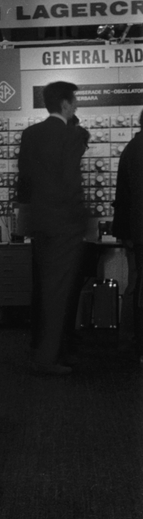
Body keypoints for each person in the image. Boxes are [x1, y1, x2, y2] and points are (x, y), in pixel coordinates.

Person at [16, 80, 90, 375]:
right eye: (74, 102)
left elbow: (24, 179)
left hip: (40, 223)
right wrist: (81, 218)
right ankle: (48, 359)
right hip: (64, 226)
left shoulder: (30, 134)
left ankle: (42, 350)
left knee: (44, 289)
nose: (76, 106)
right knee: (58, 294)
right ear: (65, 104)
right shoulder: (71, 135)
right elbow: (71, 183)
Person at [112, 110, 143, 361]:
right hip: (138, 232)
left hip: (135, 232)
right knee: (136, 286)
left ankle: (128, 339)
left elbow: (123, 196)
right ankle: (132, 340)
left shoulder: (132, 148)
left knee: (134, 284)